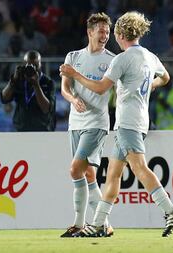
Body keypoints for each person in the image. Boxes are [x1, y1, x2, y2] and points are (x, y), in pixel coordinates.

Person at [60, 11, 173, 238]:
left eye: (112, 31)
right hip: (139, 120)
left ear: (119, 34)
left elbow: (99, 88)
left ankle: (170, 209)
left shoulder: (122, 58)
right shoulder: (149, 56)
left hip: (128, 122)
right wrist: (148, 86)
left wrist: (75, 75)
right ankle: (98, 224)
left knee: (139, 168)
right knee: (113, 175)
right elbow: (165, 77)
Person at [60, 12, 115, 238]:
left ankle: (78, 223)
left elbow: (102, 88)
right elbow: (65, 88)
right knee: (89, 175)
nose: (105, 36)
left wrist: (75, 75)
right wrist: (73, 99)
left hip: (97, 122)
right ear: (90, 32)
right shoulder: (73, 57)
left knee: (75, 169)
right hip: (76, 122)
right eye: (101, 31)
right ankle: (105, 224)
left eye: (107, 32)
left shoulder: (112, 60)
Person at [1, 50, 55, 131]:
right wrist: (13, 80)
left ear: (41, 64)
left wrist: (36, 85)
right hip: (20, 130)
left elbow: (46, 109)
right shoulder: (19, 80)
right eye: (29, 65)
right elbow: (4, 99)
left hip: (42, 130)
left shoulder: (48, 82)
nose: (32, 68)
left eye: (35, 65)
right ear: (23, 64)